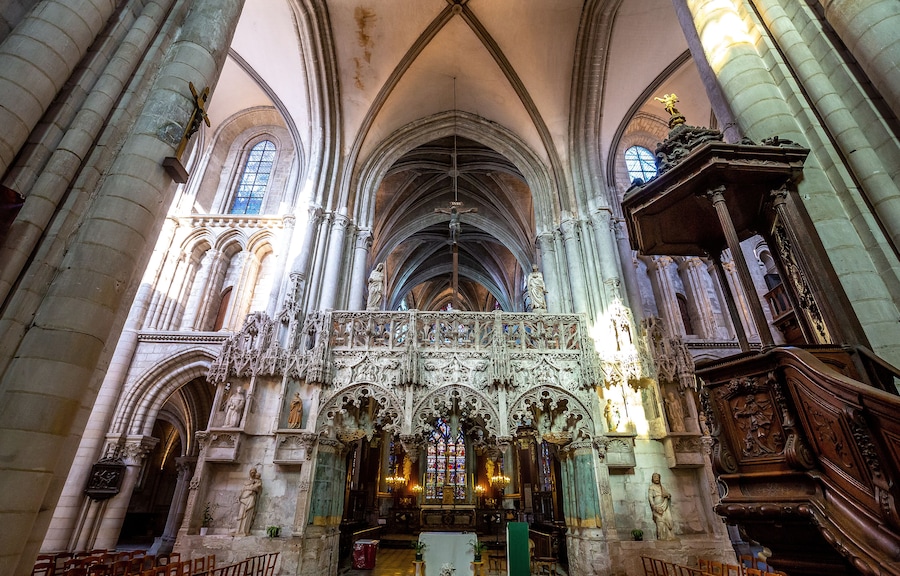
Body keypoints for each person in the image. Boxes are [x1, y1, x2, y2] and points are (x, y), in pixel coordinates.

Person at [648, 472, 675, 540]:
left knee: (669, 520)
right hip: (658, 506)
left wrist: (667, 495)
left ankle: (670, 536)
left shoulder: (662, 487)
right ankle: (662, 538)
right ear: (652, 479)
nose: (656, 478)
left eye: (657, 477)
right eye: (655, 477)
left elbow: (668, 494)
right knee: (660, 523)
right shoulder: (651, 487)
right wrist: (654, 506)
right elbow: (650, 497)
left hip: (665, 505)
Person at [236, 467, 262, 535]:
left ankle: (245, 530)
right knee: (241, 513)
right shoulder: (246, 481)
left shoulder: (257, 482)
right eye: (251, 472)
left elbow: (257, 489)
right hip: (244, 498)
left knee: (248, 514)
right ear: (249, 472)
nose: (252, 474)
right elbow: (243, 489)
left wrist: (252, 488)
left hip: (251, 498)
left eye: (254, 472)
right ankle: (238, 530)